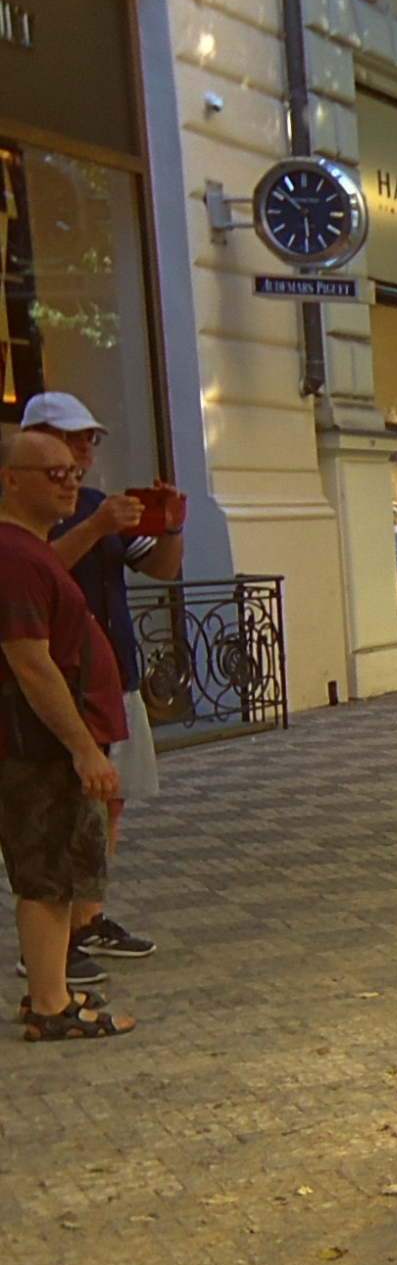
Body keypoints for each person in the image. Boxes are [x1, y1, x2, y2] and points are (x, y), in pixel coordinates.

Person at [26, 391, 180, 965]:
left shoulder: (96, 504)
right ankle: (51, 944)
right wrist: (94, 526)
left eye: (89, 439)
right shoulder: (26, 515)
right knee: (64, 807)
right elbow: (33, 572)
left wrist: (171, 524)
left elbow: (162, 568)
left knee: (108, 802)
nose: (83, 450)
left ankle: (87, 920)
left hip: (114, 673)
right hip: (63, 680)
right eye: (72, 438)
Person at [0, 428, 135, 1038]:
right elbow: (31, 662)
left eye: (72, 470)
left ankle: (49, 998)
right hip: (40, 748)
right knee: (50, 872)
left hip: (46, 745)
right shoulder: (16, 556)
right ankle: (50, 1005)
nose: (70, 480)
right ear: (11, 480)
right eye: (52, 472)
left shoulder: (30, 552)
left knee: (55, 873)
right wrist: (82, 748)